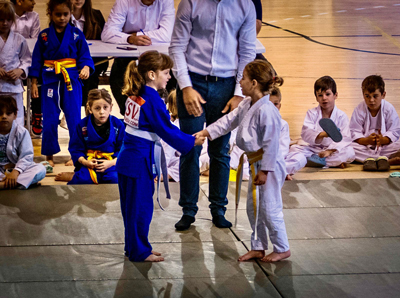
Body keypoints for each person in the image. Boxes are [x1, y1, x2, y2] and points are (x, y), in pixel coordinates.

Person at [169, 0, 256, 231]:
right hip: (193, 80)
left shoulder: (245, 4)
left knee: (220, 150)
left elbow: (248, 50)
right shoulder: (190, 2)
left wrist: (239, 92)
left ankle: (219, 209)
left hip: (226, 85)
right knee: (190, 147)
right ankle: (188, 210)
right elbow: (177, 46)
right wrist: (185, 86)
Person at [194, 60, 291, 262]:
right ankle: (258, 246)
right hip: (255, 162)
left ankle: (282, 247)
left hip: (268, 165)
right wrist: (206, 132)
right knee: (254, 207)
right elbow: (228, 121)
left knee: (270, 207)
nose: (240, 81)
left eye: (244, 78)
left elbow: (273, 144)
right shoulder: (248, 104)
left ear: (254, 83)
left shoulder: (268, 110)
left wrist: (265, 171)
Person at [116, 51, 205, 262]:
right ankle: (139, 251)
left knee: (130, 208)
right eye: (165, 72)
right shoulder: (151, 98)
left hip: (129, 156)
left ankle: (135, 247)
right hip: (139, 159)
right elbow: (165, 129)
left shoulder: (136, 92)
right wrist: (192, 141)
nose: (168, 77)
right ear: (152, 74)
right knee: (140, 208)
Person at [30, 0, 94, 167]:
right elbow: (37, 60)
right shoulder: (44, 36)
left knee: (74, 118)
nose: (62, 18)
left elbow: (85, 56)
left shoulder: (76, 34)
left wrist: (86, 67)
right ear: (50, 13)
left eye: (66, 14)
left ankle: (76, 154)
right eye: (58, 14)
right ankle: (49, 155)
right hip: (50, 81)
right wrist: (34, 83)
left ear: (71, 13)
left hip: (71, 80)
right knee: (50, 119)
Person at [101, 0, 175, 115]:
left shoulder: (166, 2)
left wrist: (138, 35)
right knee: (119, 76)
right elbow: (107, 33)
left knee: (171, 74)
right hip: (128, 59)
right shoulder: (124, 2)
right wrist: (130, 39)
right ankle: (130, 116)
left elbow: (167, 34)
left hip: (157, 58)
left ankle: (159, 113)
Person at [285, 76, 355, 176]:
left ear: (335, 95)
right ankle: (328, 162)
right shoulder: (311, 113)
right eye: (320, 95)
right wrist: (323, 134)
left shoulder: (341, 116)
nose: (324, 98)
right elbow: (306, 134)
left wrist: (329, 151)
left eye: (327, 94)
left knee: (350, 152)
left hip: (331, 151)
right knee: (294, 149)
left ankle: (318, 161)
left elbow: (345, 138)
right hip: (312, 148)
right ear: (316, 98)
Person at [55, 89, 125, 184]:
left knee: (115, 179)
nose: (102, 112)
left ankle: (76, 175)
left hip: (111, 163)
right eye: (97, 108)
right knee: (82, 180)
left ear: (111, 107)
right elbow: (76, 148)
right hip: (89, 162)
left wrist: (110, 163)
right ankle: (75, 175)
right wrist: (85, 162)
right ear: (90, 108)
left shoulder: (118, 124)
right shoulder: (82, 125)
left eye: (105, 107)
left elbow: (123, 149)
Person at [350, 75, 400, 171]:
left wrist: (383, 139)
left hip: (385, 146)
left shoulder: (389, 108)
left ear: (383, 95)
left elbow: (395, 131)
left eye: (375, 96)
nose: (371, 100)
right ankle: (384, 160)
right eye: (367, 96)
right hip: (364, 146)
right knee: (347, 146)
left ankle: (370, 160)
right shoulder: (359, 109)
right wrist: (367, 141)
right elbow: (354, 132)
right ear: (363, 94)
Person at [10, 0, 43, 136]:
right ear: (19, 1)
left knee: (39, 75)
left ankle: (37, 112)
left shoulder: (34, 16)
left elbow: (35, 42)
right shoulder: (7, 16)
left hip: (29, 58)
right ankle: (19, 111)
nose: (34, 2)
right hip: (10, 61)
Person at [0, 95, 46, 190]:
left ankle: (4, 185)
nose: (4, 117)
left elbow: (27, 156)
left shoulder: (21, 132)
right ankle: (16, 183)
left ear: (15, 115)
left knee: (41, 169)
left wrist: (16, 171)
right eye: (0, 113)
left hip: (17, 169)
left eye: (8, 113)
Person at [71, 0, 108, 108]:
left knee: (90, 76)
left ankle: (88, 109)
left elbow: (105, 38)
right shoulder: (61, 15)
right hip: (70, 62)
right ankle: (74, 110)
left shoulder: (96, 15)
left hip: (94, 62)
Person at [0, 0, 31, 127]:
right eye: (1, 19)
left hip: (14, 88)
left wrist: (21, 70)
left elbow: (27, 60)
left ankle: (16, 147)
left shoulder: (19, 39)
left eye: (8, 19)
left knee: (16, 122)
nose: (5, 23)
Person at [269, 87, 292, 180]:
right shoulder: (256, 121)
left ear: (280, 105)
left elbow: (283, 149)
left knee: (300, 159)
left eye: (276, 104)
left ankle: (279, 170)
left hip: (276, 159)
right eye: (270, 104)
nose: (273, 107)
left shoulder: (283, 124)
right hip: (257, 159)